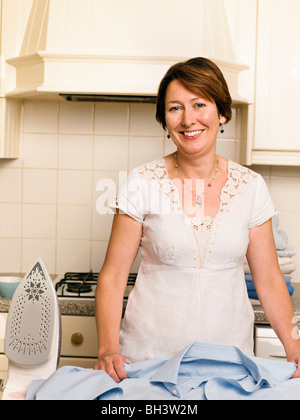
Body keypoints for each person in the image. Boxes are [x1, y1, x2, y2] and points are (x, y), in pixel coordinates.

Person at [94, 57, 300, 382]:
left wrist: (295, 345)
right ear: (165, 120)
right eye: (175, 108)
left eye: (199, 104)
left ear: (221, 113)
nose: (188, 119)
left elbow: (271, 280)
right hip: (148, 364)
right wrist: (107, 349)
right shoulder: (140, 182)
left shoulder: (251, 186)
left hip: (230, 367)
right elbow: (113, 275)